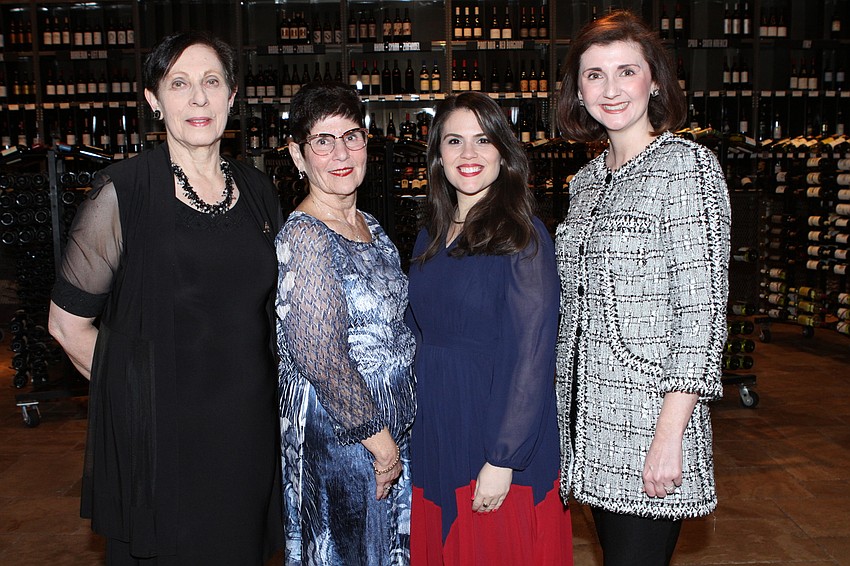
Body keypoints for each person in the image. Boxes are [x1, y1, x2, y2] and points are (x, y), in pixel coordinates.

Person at [48, 31, 283, 564]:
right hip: (164, 444)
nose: (197, 98)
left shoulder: (258, 191)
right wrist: (135, 398)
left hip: (246, 431)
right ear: (154, 100)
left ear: (232, 94)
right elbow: (67, 325)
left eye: (210, 82)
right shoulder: (122, 193)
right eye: (179, 84)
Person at [554, 10, 731, 566]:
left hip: (648, 424)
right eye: (594, 75)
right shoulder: (584, 183)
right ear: (577, 91)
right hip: (589, 426)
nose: (611, 90)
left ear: (654, 80)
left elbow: (701, 315)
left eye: (626, 71)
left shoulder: (686, 167)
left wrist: (669, 434)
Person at [406, 92, 573, 565]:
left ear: (504, 150)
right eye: (455, 141)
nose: (469, 154)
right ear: (438, 154)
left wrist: (503, 458)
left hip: (494, 428)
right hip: (439, 424)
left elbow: (532, 351)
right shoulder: (431, 233)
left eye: (483, 140)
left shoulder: (523, 235)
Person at [275, 81, 416, 565]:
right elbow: (322, 358)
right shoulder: (308, 237)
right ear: (298, 155)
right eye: (323, 140)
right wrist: (381, 446)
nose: (340, 152)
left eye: (351, 136)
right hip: (344, 437)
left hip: (386, 431)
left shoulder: (370, 226)